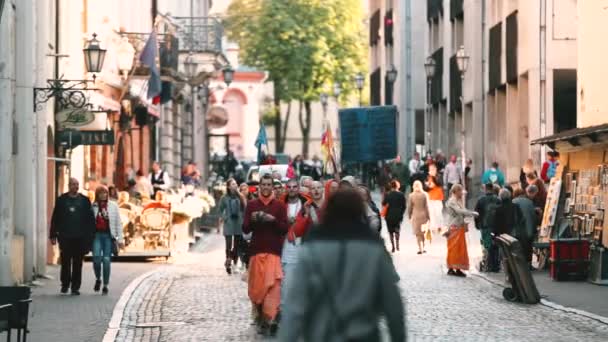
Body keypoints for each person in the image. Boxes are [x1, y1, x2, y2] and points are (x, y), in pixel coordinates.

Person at [278, 189, 405, 342]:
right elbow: (393, 304)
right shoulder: (374, 250)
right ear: (359, 212)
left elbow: (295, 305)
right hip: (364, 335)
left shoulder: (312, 249)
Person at [243, 174, 288, 335]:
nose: (267, 187)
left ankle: (270, 319)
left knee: (272, 288)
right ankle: (261, 317)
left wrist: (272, 220)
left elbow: (284, 228)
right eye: (264, 184)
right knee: (258, 289)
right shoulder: (252, 205)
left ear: (272, 186)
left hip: (273, 251)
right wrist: (253, 219)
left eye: (269, 184)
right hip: (256, 251)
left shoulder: (280, 206)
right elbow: (245, 229)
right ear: (260, 186)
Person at [49, 178, 96, 295]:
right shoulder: (62, 200)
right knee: (65, 262)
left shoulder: (84, 201)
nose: (76, 186)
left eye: (77, 184)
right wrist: (53, 234)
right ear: (69, 185)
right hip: (65, 236)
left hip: (80, 237)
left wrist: (90, 237)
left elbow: (90, 220)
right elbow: (55, 218)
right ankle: (65, 284)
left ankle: (75, 287)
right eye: (73, 184)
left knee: (78, 263)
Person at [281, 179, 310, 316]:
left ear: (298, 188)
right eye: (289, 187)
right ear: (286, 189)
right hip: (284, 250)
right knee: (285, 286)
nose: (292, 189)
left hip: (301, 250)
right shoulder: (281, 204)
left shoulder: (306, 205)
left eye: (294, 187)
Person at [91, 185, 124, 295]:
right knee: (96, 258)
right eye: (101, 193)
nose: (103, 195)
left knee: (106, 260)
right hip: (97, 236)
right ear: (97, 194)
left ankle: (105, 285)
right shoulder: (93, 206)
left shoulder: (113, 206)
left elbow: (118, 223)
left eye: (105, 193)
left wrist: (120, 240)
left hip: (109, 236)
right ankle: (98, 279)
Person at [445, 184, 479, 277]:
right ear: (456, 191)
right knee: (454, 249)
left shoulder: (457, 200)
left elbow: (462, 210)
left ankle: (458, 268)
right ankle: (452, 267)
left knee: (460, 249)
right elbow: (459, 211)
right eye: (460, 191)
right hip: (454, 227)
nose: (462, 194)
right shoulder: (452, 201)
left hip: (459, 226)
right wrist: (471, 213)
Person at [218, 178, 246, 274]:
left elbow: (245, 208)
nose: (235, 185)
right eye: (233, 184)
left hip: (238, 223)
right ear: (229, 186)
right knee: (228, 245)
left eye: (236, 184)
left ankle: (234, 263)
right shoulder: (224, 197)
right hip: (229, 224)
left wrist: (243, 219)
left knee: (237, 246)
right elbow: (220, 210)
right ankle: (228, 262)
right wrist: (224, 217)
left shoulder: (240, 196)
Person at [474, 183, 502, 272]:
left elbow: (476, 214)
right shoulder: (498, 199)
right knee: (496, 245)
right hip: (496, 226)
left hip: (485, 226)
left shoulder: (481, 200)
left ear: (485, 189)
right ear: (493, 189)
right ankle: (496, 266)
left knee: (486, 245)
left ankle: (488, 265)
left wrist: (477, 225)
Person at [513, 188, 539, 265]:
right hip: (529, 230)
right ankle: (529, 264)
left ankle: (520, 264)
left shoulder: (513, 202)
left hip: (517, 231)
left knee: (518, 248)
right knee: (528, 247)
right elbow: (533, 217)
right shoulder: (530, 202)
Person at [382, 180, 407, 252]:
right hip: (398, 215)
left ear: (391, 186)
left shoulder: (388, 194)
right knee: (397, 230)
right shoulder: (401, 195)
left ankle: (393, 247)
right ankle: (397, 244)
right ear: (398, 186)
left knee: (390, 232)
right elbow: (404, 206)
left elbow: (383, 203)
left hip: (389, 215)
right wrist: (401, 213)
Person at [408, 180, 430, 254]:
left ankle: (420, 248)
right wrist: (429, 216)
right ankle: (423, 247)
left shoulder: (411, 195)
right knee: (423, 233)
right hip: (424, 216)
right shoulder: (425, 194)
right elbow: (427, 207)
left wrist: (409, 215)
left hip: (415, 216)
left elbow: (410, 207)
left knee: (418, 234)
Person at [426, 163, 445, 235]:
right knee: (432, 214)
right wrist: (428, 186)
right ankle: (433, 228)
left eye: (433, 169)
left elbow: (439, 183)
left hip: (438, 198)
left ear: (436, 170)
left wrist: (433, 177)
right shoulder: (428, 177)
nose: (431, 171)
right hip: (430, 198)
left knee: (438, 213)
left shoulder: (439, 176)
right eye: (430, 169)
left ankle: (441, 227)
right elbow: (425, 188)